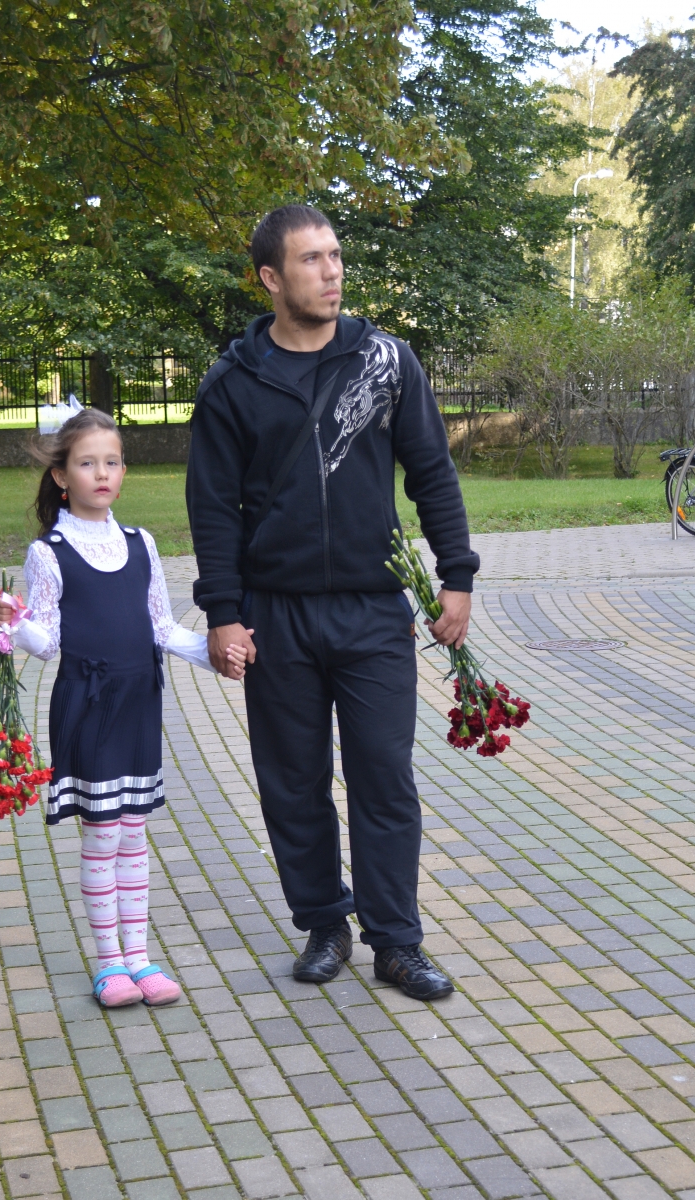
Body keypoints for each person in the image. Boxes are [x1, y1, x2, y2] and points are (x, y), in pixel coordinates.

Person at [187, 204, 480, 1002]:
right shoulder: (232, 382)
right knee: (292, 781)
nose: (332, 271)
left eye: (336, 255)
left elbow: (432, 473)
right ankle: (324, 923)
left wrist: (456, 576)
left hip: (372, 609)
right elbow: (212, 508)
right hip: (275, 613)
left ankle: (397, 942)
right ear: (271, 278)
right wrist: (223, 613)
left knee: (384, 776)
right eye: (311, 259)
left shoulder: (386, 360)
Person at [0, 409, 247, 1008]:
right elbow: (46, 643)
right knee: (103, 834)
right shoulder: (49, 552)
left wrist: (217, 655)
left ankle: (140, 957)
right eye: (87, 463)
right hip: (88, 706)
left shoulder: (140, 543)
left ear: (124, 471)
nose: (102, 473)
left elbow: (161, 627)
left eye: (112, 462)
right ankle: (109, 964)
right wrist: (14, 621)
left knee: (134, 834)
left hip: (138, 704)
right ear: (62, 476)